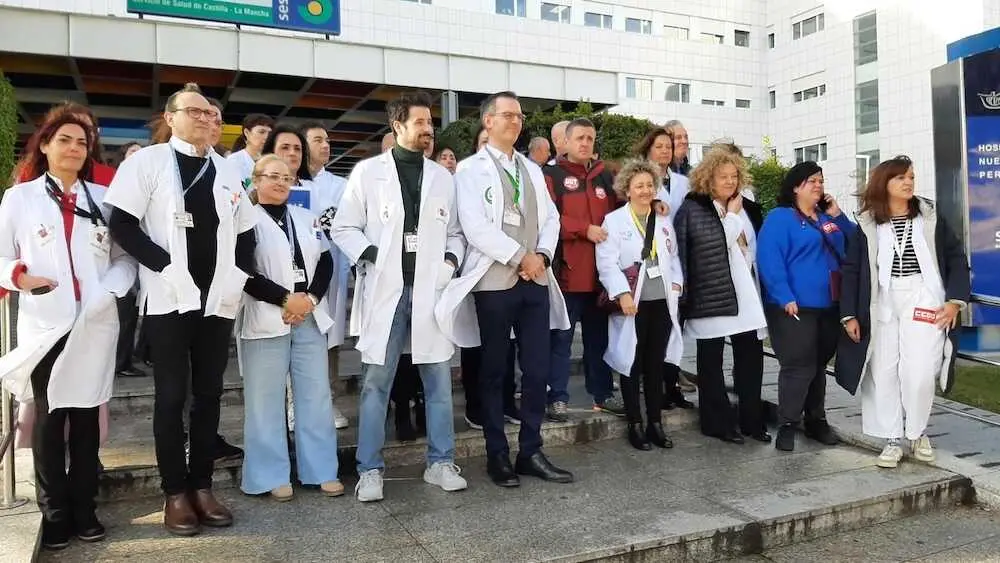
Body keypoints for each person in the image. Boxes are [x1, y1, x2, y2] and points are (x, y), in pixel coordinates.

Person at [105, 83, 256, 536]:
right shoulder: (147, 163)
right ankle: (175, 492)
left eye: (213, 115)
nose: (208, 121)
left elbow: (247, 232)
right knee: (171, 397)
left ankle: (203, 486)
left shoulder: (227, 170)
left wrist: (238, 275)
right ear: (171, 117)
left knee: (210, 394)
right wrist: (165, 267)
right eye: (197, 113)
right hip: (170, 299)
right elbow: (123, 227)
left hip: (217, 301)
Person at [0, 113, 136, 550]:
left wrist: (107, 291)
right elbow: (1, 255)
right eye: (65, 140)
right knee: (49, 416)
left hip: (94, 321)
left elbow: (124, 260)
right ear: (44, 146)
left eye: (82, 142)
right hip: (46, 321)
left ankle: (85, 509)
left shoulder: (104, 199)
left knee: (85, 419)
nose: (74, 148)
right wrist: (21, 277)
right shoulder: (18, 199)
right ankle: (54, 511)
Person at [332, 91, 467, 502]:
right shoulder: (367, 173)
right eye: (420, 122)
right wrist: (375, 256)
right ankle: (370, 470)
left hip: (430, 290)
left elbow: (457, 234)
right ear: (398, 126)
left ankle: (440, 462)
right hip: (386, 291)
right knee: (376, 381)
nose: (428, 129)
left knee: (438, 379)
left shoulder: (444, 178)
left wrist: (447, 263)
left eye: (431, 122)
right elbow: (343, 228)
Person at [437, 91, 573, 488]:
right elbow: (474, 226)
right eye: (507, 115)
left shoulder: (532, 169)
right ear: (488, 122)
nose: (516, 121)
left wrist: (543, 256)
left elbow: (550, 218)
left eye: (519, 116)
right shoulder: (468, 170)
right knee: (495, 371)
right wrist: (520, 256)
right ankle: (496, 453)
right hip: (495, 282)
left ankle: (530, 449)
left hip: (536, 279)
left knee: (537, 368)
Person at [837, 155, 969, 469]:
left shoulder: (929, 218)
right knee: (882, 371)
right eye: (900, 178)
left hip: (923, 297)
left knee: (920, 370)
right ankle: (892, 438)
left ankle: (917, 432)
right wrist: (849, 314)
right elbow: (852, 270)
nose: (908, 182)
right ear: (884, 184)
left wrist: (954, 302)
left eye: (911, 176)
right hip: (881, 301)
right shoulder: (868, 223)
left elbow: (956, 260)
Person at [237, 155, 342, 501]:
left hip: (308, 315)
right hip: (267, 316)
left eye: (287, 177)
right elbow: (244, 271)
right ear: (255, 180)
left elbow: (325, 261)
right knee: (265, 399)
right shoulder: (244, 219)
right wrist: (286, 299)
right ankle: (270, 475)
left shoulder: (305, 216)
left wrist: (309, 299)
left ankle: (321, 469)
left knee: (315, 395)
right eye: (272, 176)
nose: (281, 182)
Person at [674, 146, 769, 445]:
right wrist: (731, 217)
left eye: (734, 176)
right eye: (722, 177)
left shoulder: (746, 206)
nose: (729, 182)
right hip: (711, 293)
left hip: (742, 291)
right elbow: (709, 247)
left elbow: (753, 247)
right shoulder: (694, 207)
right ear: (708, 179)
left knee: (752, 355)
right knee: (711, 360)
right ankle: (717, 423)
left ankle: (752, 421)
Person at [757, 162, 854, 452]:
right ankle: (787, 422)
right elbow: (769, 258)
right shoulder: (781, 218)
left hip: (829, 304)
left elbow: (854, 245)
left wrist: (838, 215)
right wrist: (784, 295)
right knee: (798, 365)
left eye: (821, 181)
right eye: (812, 181)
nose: (818, 186)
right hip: (794, 305)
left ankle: (816, 420)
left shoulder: (826, 218)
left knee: (818, 366)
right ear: (796, 186)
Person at [596, 159, 684, 451]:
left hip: (662, 300)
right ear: (627, 190)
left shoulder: (662, 220)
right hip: (633, 303)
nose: (645, 190)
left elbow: (672, 258)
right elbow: (606, 263)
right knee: (631, 363)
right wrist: (621, 294)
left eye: (649, 185)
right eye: (639, 186)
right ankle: (635, 423)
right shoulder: (615, 220)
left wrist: (677, 285)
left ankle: (655, 422)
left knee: (655, 363)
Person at [543, 117, 623, 421]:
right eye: (580, 138)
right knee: (560, 340)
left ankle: (603, 394)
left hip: (601, 277)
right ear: (566, 141)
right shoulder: (551, 175)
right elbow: (547, 219)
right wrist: (582, 229)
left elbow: (622, 216)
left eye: (590, 138)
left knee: (599, 341)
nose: (586, 143)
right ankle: (558, 398)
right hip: (567, 274)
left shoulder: (605, 178)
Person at [633, 128, 696, 404]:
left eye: (668, 147)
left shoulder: (683, 182)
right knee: (652, 329)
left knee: (675, 326)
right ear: (648, 149)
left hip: (678, 258)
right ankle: (651, 384)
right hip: (651, 261)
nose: (664, 151)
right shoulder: (640, 182)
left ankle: (672, 385)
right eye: (658, 146)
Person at [299, 121, 351, 430]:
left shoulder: (339, 185)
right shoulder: (291, 182)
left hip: (331, 272)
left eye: (328, 140)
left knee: (329, 338)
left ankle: (327, 401)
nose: (326, 145)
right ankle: (297, 404)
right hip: (298, 274)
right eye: (318, 140)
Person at [228, 113, 275, 188]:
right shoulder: (234, 161)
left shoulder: (275, 161)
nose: (266, 137)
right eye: (261, 132)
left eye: (270, 133)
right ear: (246, 132)